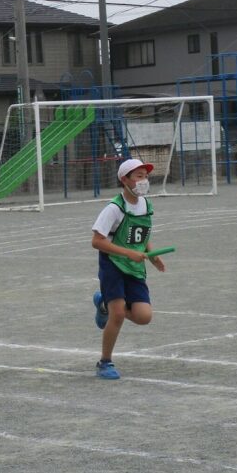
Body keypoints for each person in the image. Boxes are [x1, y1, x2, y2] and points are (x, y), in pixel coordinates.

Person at [90, 158, 166, 380]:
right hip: (112, 265)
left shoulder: (146, 206)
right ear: (124, 180)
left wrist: (152, 256)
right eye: (139, 176)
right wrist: (127, 253)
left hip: (134, 267)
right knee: (118, 313)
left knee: (144, 316)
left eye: (146, 176)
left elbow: (142, 234)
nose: (144, 181)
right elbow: (96, 241)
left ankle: (103, 303)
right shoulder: (114, 208)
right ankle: (105, 362)